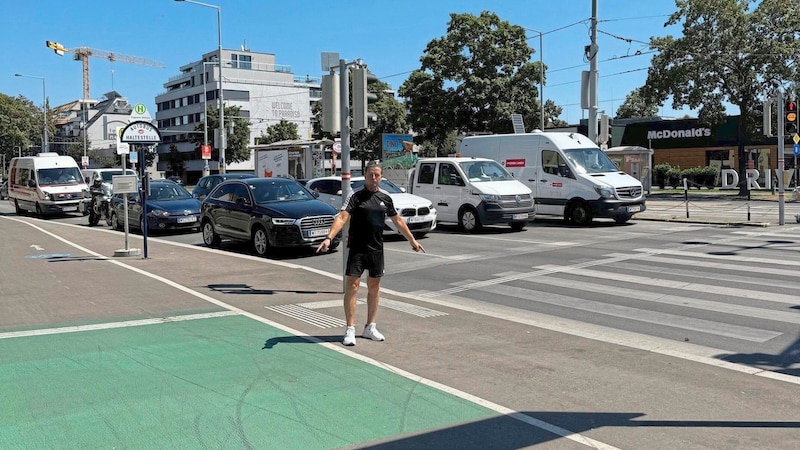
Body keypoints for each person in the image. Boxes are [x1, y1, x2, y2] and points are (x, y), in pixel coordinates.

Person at [316, 162, 425, 346]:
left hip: (376, 249)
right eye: (370, 175)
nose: (373, 178)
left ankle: (370, 327)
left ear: (381, 177)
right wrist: (329, 237)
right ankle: (350, 329)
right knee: (353, 285)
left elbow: (397, 220)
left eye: (377, 175)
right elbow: (342, 216)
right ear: (365, 176)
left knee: (374, 286)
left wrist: (412, 240)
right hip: (357, 248)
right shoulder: (356, 196)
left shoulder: (385, 198)